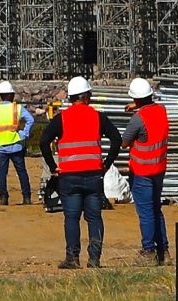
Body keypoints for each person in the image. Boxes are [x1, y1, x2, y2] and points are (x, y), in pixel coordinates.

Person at [39, 75, 121, 269]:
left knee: (72, 217)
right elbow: (116, 140)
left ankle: (72, 258)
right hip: (93, 176)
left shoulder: (62, 119)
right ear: (86, 96)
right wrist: (106, 164)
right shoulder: (97, 117)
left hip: (69, 176)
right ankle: (94, 259)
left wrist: (53, 167)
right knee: (94, 217)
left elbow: (43, 142)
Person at [123, 77, 170, 265]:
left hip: (141, 171)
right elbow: (151, 108)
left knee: (145, 212)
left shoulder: (137, 120)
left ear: (136, 99)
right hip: (159, 169)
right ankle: (163, 252)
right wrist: (138, 106)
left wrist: (137, 110)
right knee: (156, 209)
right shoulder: (161, 111)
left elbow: (125, 142)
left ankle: (148, 251)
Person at [0, 80, 35, 206]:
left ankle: (3, 197)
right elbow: (30, 120)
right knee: (21, 172)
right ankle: (26, 197)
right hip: (16, 145)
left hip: (1, 147)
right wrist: (24, 134)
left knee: (2, 173)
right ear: (11, 95)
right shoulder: (17, 108)